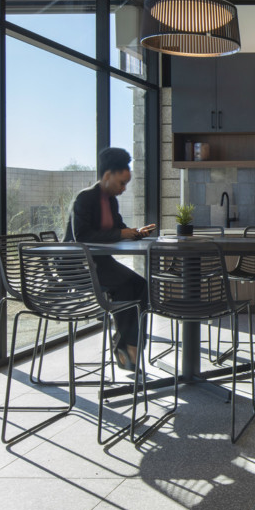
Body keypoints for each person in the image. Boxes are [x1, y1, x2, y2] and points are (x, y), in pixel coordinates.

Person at [65, 147, 157, 370]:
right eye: (121, 183)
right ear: (107, 176)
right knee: (128, 285)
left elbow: (119, 228)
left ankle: (128, 347)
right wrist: (120, 233)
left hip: (101, 263)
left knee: (138, 285)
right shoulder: (84, 199)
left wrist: (136, 232)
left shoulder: (111, 202)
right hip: (78, 266)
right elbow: (82, 236)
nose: (124, 189)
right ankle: (128, 349)